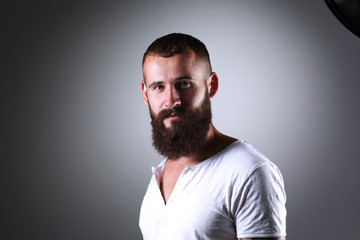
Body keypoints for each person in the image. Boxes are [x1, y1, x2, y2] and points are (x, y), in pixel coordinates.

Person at [139, 33, 286, 240]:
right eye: (159, 87)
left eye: (184, 84)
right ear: (145, 94)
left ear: (212, 85)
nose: (171, 100)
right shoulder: (160, 173)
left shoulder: (249, 172)